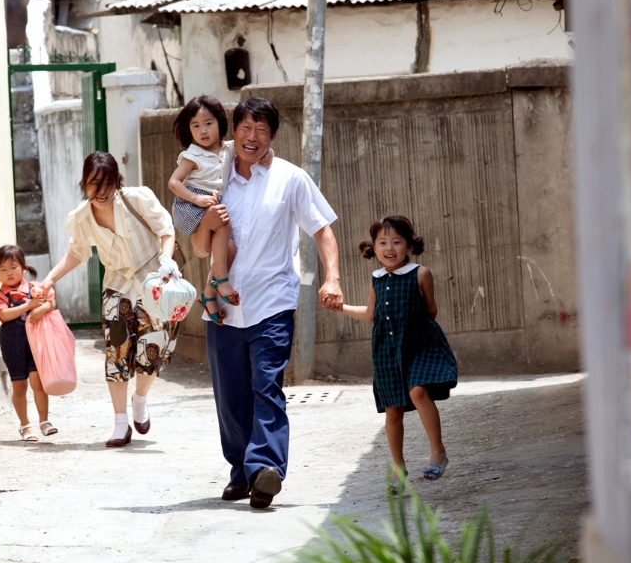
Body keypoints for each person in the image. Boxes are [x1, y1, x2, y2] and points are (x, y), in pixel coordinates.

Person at [191, 97, 343, 509]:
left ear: (272, 136)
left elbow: (323, 231)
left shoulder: (290, 179)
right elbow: (198, 239)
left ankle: (266, 469)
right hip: (221, 305)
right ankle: (242, 472)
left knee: (267, 386)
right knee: (230, 395)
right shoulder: (214, 177)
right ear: (233, 131)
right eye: (245, 127)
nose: (252, 137)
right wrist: (201, 224)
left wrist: (332, 278)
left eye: (261, 130)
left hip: (272, 303)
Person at [39, 151, 179, 448]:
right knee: (116, 353)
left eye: (106, 183)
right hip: (117, 289)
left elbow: (166, 231)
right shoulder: (80, 218)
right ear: (84, 183)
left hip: (153, 283)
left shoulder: (137, 199)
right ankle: (119, 422)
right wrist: (49, 279)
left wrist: (166, 263)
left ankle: (140, 399)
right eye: (93, 184)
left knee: (151, 351)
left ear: (117, 182)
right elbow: (77, 252)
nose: (99, 192)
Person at [331, 215, 458, 491]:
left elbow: (431, 311)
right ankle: (398, 467)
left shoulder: (420, 274)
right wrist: (340, 307)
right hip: (386, 350)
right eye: (383, 242)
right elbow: (369, 313)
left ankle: (438, 451)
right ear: (373, 248)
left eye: (397, 242)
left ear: (409, 245)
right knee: (393, 412)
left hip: (420, 344)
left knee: (417, 391)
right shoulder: (376, 279)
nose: (390, 248)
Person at [167, 95, 240, 324]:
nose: (203, 131)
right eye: (195, 126)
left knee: (229, 248)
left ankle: (208, 294)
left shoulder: (230, 148)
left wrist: (268, 154)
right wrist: (196, 199)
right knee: (223, 221)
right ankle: (220, 278)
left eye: (208, 123)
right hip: (191, 205)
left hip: (210, 203)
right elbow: (174, 182)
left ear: (220, 122)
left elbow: (253, 150)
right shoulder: (193, 154)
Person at [0, 245, 58, 442]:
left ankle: (44, 422)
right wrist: (29, 305)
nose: (8, 273)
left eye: (13, 267)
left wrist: (44, 308)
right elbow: (4, 314)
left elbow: (52, 302)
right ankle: (25, 425)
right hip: (12, 343)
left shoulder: (36, 288)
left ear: (23, 268)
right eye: (2, 269)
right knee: (19, 385)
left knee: (39, 383)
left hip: (36, 342)